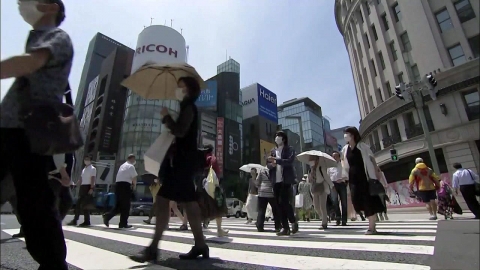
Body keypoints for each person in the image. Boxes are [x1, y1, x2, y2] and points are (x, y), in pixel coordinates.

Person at [0, 1, 71, 268]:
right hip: (13, 130)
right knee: (33, 201)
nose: (21, 4)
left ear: (49, 6)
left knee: (35, 203)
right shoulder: (40, 38)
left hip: (26, 132)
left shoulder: (57, 38)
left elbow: (31, 63)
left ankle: (54, 262)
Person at [129, 77, 208, 263]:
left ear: (188, 90)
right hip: (183, 163)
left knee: (164, 199)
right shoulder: (187, 107)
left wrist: (166, 117)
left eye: (180, 86)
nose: (177, 89)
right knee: (188, 201)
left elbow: (180, 131)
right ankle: (200, 244)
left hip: (181, 164)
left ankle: (153, 249)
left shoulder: (188, 107)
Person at [341, 127, 385, 235]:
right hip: (352, 178)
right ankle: (372, 220)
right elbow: (344, 163)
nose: (345, 135)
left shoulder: (363, 146)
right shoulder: (345, 149)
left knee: (367, 200)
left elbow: (372, 159)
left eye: (347, 133)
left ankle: (372, 226)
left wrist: (376, 172)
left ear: (353, 135)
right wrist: (344, 176)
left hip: (364, 176)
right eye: (345, 133)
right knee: (356, 200)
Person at [267, 131, 299, 236]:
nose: (277, 138)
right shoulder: (273, 151)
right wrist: (272, 164)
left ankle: (293, 221)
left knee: (285, 202)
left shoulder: (289, 149)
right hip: (275, 180)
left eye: (279, 136)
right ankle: (285, 228)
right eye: (276, 136)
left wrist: (276, 161)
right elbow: (268, 165)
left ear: (283, 139)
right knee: (278, 205)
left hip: (286, 180)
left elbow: (289, 161)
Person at [198, 144, 229, 236]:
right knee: (218, 207)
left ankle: (199, 232)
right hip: (212, 188)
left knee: (201, 209)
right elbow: (217, 174)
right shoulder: (213, 159)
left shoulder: (200, 161)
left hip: (201, 188)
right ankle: (219, 230)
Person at [103, 154, 137, 228]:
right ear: (132, 159)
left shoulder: (122, 166)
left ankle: (108, 216)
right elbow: (134, 178)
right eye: (134, 159)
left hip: (118, 186)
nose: (135, 161)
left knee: (119, 205)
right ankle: (123, 223)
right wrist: (134, 186)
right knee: (126, 206)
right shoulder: (131, 166)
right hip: (125, 186)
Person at [67, 154, 96, 227]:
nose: (86, 161)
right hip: (83, 187)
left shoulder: (92, 169)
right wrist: (76, 185)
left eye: (88, 159)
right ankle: (75, 220)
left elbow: (93, 179)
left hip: (88, 186)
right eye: (85, 159)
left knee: (85, 205)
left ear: (90, 160)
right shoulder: (84, 169)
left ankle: (86, 221)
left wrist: (92, 188)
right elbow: (81, 179)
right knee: (78, 204)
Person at [308, 156, 334, 229]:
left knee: (322, 206)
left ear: (317, 160)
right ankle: (325, 217)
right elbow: (309, 181)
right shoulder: (310, 169)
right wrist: (311, 176)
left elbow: (326, 177)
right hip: (314, 188)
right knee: (316, 206)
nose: (311, 161)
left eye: (312, 159)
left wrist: (332, 185)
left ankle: (324, 223)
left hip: (323, 188)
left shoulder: (321, 168)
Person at [255, 167, 281, 232]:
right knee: (275, 210)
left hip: (262, 192)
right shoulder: (275, 169)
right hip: (272, 192)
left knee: (261, 209)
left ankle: (259, 226)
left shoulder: (262, 170)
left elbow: (257, 181)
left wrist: (259, 187)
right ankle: (277, 226)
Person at [327, 151, 349, 226]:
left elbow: (347, 175)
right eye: (333, 156)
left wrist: (343, 179)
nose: (334, 158)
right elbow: (328, 177)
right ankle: (338, 217)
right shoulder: (329, 166)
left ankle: (344, 219)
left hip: (342, 184)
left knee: (344, 202)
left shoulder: (343, 165)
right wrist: (331, 185)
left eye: (336, 156)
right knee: (335, 202)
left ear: (339, 157)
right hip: (333, 185)